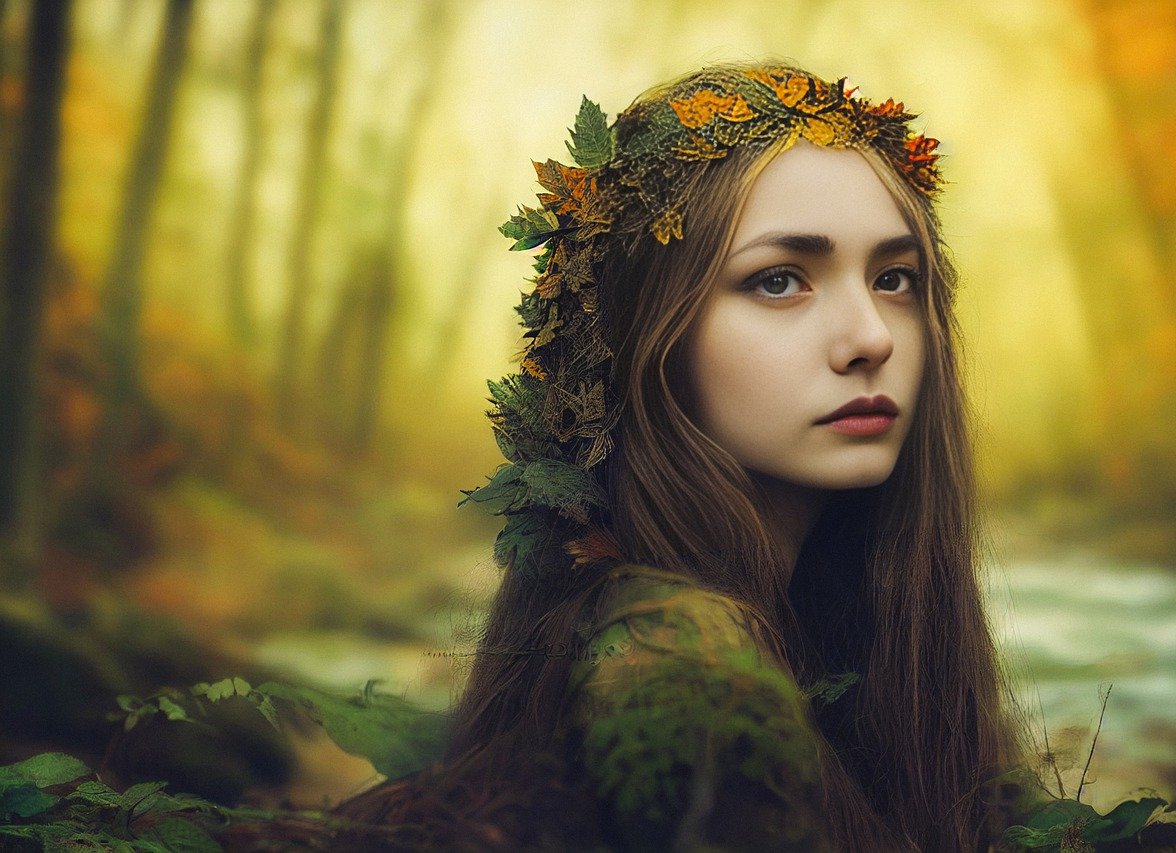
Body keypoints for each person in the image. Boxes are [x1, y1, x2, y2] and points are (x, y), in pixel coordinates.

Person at [338, 61, 1019, 852]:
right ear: (646, 338)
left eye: (895, 277)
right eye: (778, 281)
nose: (871, 337)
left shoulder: (845, 630)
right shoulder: (673, 657)